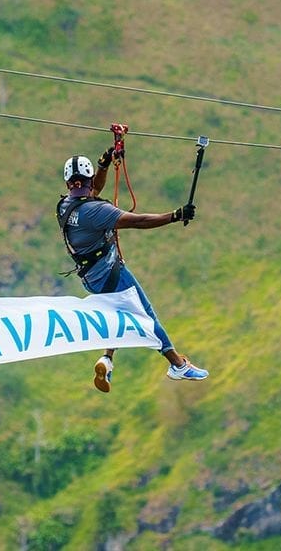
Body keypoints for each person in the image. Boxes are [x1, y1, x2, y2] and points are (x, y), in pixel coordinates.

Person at [57, 148, 209, 393]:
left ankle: (107, 358)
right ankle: (177, 364)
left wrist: (104, 165)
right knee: (146, 314)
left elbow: (92, 190)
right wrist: (175, 215)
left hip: (91, 277)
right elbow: (139, 221)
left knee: (120, 313)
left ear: (68, 182)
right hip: (110, 274)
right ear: (88, 178)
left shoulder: (66, 206)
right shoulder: (95, 212)